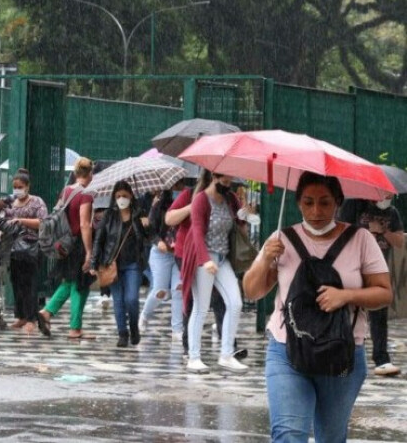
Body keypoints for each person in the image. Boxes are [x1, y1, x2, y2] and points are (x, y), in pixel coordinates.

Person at [243, 172, 392, 442]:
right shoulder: (281, 239)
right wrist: (265, 258)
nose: (316, 211)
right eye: (308, 202)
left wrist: (346, 295)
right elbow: (252, 291)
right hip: (287, 349)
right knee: (288, 433)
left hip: (342, 352)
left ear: (338, 202)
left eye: (324, 202)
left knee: (331, 437)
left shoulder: (361, 240)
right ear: (298, 203)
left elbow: (384, 293)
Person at [180, 171, 249, 373]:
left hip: (223, 257)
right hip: (204, 257)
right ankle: (193, 357)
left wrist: (245, 215)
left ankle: (226, 354)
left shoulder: (230, 198)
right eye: (224, 181)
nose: (227, 186)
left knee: (235, 303)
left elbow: (238, 224)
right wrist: (204, 260)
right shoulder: (201, 199)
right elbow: (197, 232)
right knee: (201, 307)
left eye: (230, 181)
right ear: (213, 177)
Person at [337, 196, 404, 376]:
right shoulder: (355, 205)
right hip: (353, 265)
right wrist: (369, 231)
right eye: (386, 193)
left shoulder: (392, 213)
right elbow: (343, 232)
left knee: (379, 313)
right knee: (347, 311)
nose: (388, 197)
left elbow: (399, 241)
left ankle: (381, 359)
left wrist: (383, 231)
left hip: (378, 268)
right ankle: (341, 353)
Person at [0, 169, 48, 334]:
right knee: (16, 281)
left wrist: (21, 221)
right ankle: (21, 315)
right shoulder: (10, 203)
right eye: (15, 187)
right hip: (13, 248)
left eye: (20, 186)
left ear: (27, 186)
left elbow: (42, 222)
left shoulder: (36, 202)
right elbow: (3, 221)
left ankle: (32, 317)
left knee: (29, 282)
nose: (17, 190)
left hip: (31, 247)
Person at [39, 157, 96, 340]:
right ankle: (75, 328)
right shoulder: (86, 194)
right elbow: (84, 224)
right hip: (78, 244)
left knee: (69, 281)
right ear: (90, 173)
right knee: (81, 283)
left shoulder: (66, 191)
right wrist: (89, 252)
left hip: (64, 244)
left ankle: (47, 312)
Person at [91, 181, 149, 347]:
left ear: (131, 195)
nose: (122, 199)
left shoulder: (139, 213)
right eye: (118, 196)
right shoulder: (108, 216)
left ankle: (133, 328)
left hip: (133, 264)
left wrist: (147, 224)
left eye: (124, 195)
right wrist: (94, 263)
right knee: (118, 300)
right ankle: (122, 333)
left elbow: (148, 237)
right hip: (112, 264)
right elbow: (99, 240)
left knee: (131, 299)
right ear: (114, 198)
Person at [140, 182, 186, 342]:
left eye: (180, 186)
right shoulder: (159, 202)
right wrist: (158, 241)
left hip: (180, 253)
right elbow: (151, 229)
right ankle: (145, 315)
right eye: (175, 187)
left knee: (178, 290)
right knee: (160, 291)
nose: (178, 190)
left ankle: (177, 330)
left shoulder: (189, 200)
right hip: (161, 253)